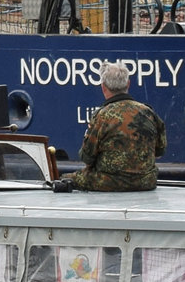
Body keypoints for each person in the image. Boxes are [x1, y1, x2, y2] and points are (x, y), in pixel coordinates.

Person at [68, 61, 166, 191]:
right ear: (128, 84)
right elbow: (160, 150)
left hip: (108, 182)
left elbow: (87, 157)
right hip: (146, 182)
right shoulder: (149, 113)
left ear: (103, 87)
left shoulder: (101, 116)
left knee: (66, 178)